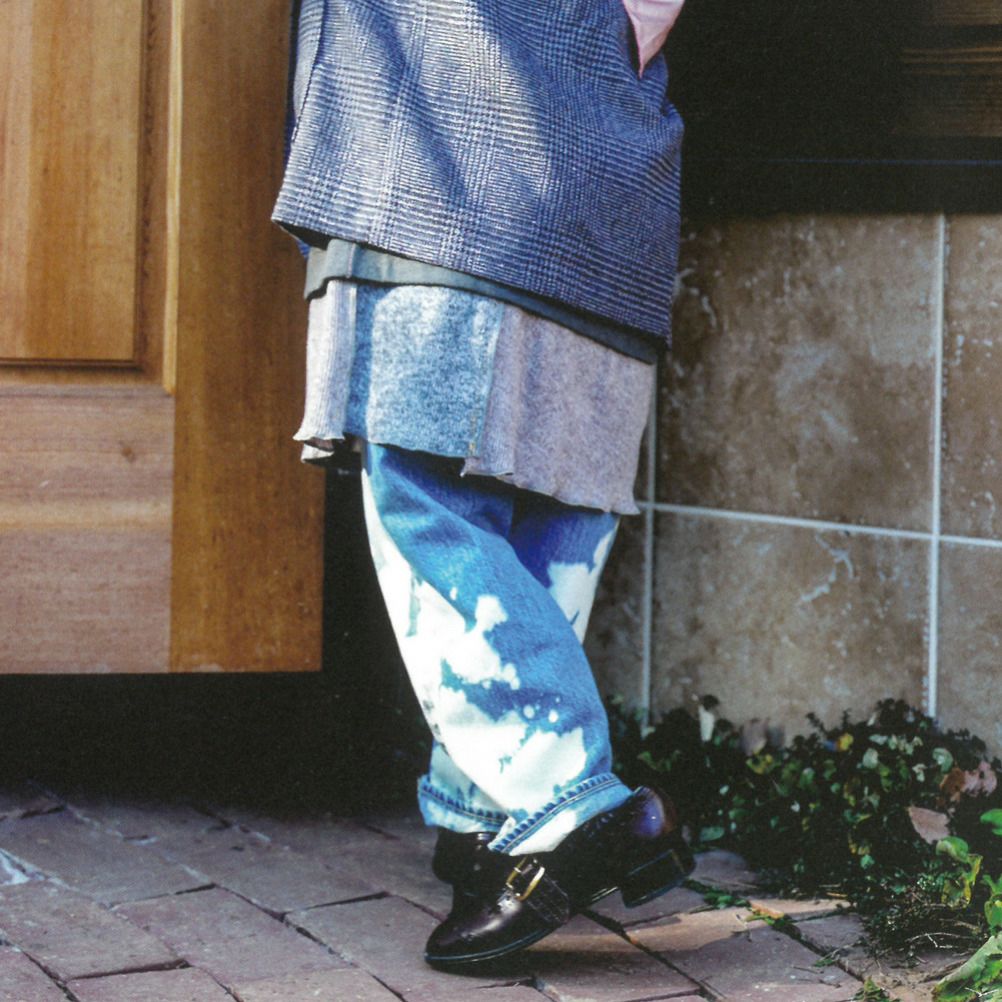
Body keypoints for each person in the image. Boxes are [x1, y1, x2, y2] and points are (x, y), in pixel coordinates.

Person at [273, 0, 691, 968]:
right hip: (593, 144)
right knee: (552, 497)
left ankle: (561, 801)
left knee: (430, 490)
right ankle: (491, 824)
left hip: (441, 127)